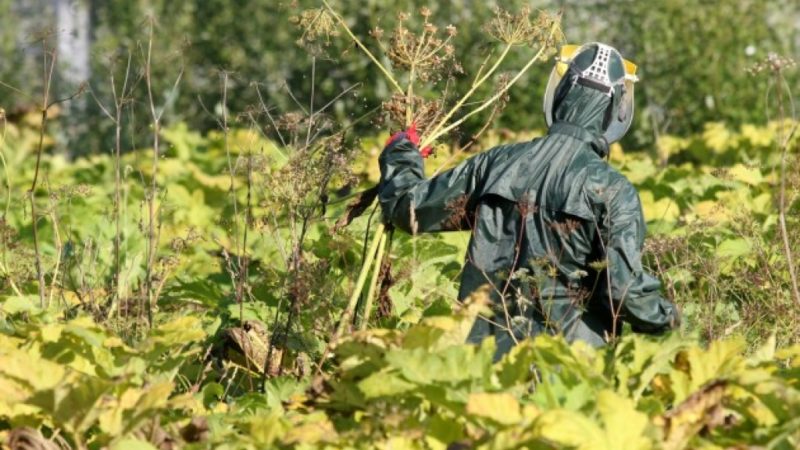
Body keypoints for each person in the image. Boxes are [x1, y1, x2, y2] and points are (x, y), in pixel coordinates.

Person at [378, 42, 680, 357]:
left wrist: (402, 149)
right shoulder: (615, 191)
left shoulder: (496, 162)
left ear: (562, 93)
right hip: (570, 371)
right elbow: (626, 292)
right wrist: (669, 321)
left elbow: (405, 207)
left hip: (487, 362)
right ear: (615, 110)